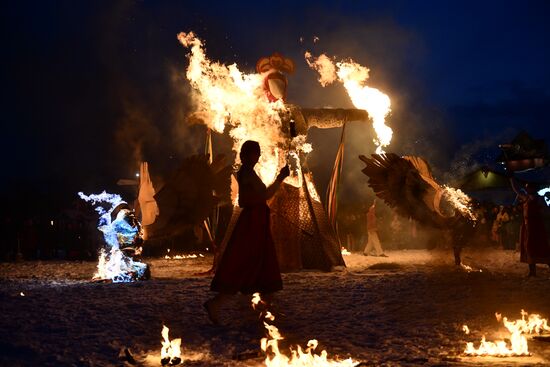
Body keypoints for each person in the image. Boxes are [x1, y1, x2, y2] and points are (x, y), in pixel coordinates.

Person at [204, 140, 290, 324]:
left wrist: (278, 181)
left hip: (257, 222)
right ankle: (217, 305)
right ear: (246, 154)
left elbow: (263, 196)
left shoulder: (250, 173)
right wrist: (280, 178)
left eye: (258, 152)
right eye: (255, 153)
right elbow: (246, 200)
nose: (258, 156)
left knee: (260, 264)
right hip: (252, 224)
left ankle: (262, 311)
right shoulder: (245, 173)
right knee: (245, 263)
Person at [510, 177, 550, 277]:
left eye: (529, 188)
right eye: (527, 188)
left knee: (540, 247)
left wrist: (540, 212)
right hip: (527, 226)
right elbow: (516, 190)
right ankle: (532, 272)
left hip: (536, 226)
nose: (527, 189)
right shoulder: (526, 198)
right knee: (528, 247)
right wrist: (511, 178)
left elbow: (546, 211)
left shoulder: (539, 199)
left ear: (534, 189)